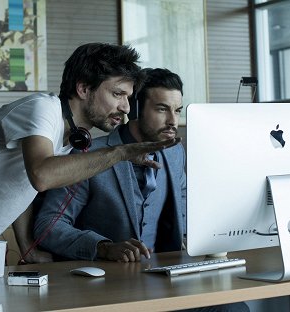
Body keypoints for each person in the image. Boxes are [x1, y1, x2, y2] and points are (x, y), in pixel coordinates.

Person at [0, 43, 180, 274]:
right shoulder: (42, 110)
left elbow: (19, 184)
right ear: (83, 88)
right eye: (118, 93)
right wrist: (120, 152)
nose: (125, 108)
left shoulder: (73, 138)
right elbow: (41, 175)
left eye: (128, 97)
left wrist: (26, 244)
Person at [33, 68, 250, 312]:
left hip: (168, 280)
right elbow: (49, 225)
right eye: (161, 109)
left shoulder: (175, 151)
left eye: (177, 111)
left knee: (232, 308)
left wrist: (205, 238)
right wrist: (103, 247)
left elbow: (185, 204)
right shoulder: (89, 156)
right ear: (134, 109)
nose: (172, 121)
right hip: (111, 287)